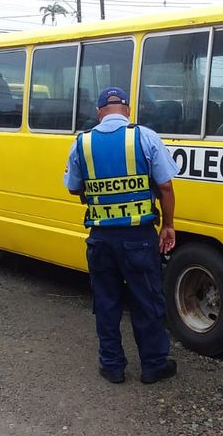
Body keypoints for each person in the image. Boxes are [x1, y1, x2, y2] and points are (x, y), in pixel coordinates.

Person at [63, 87, 179, 385]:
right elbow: (165, 186)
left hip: (101, 238)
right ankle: (153, 365)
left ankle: (112, 366)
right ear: (126, 110)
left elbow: (74, 187)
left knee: (106, 302)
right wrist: (168, 225)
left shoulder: (82, 143)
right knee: (147, 301)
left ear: (99, 111)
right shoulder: (145, 137)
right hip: (139, 236)